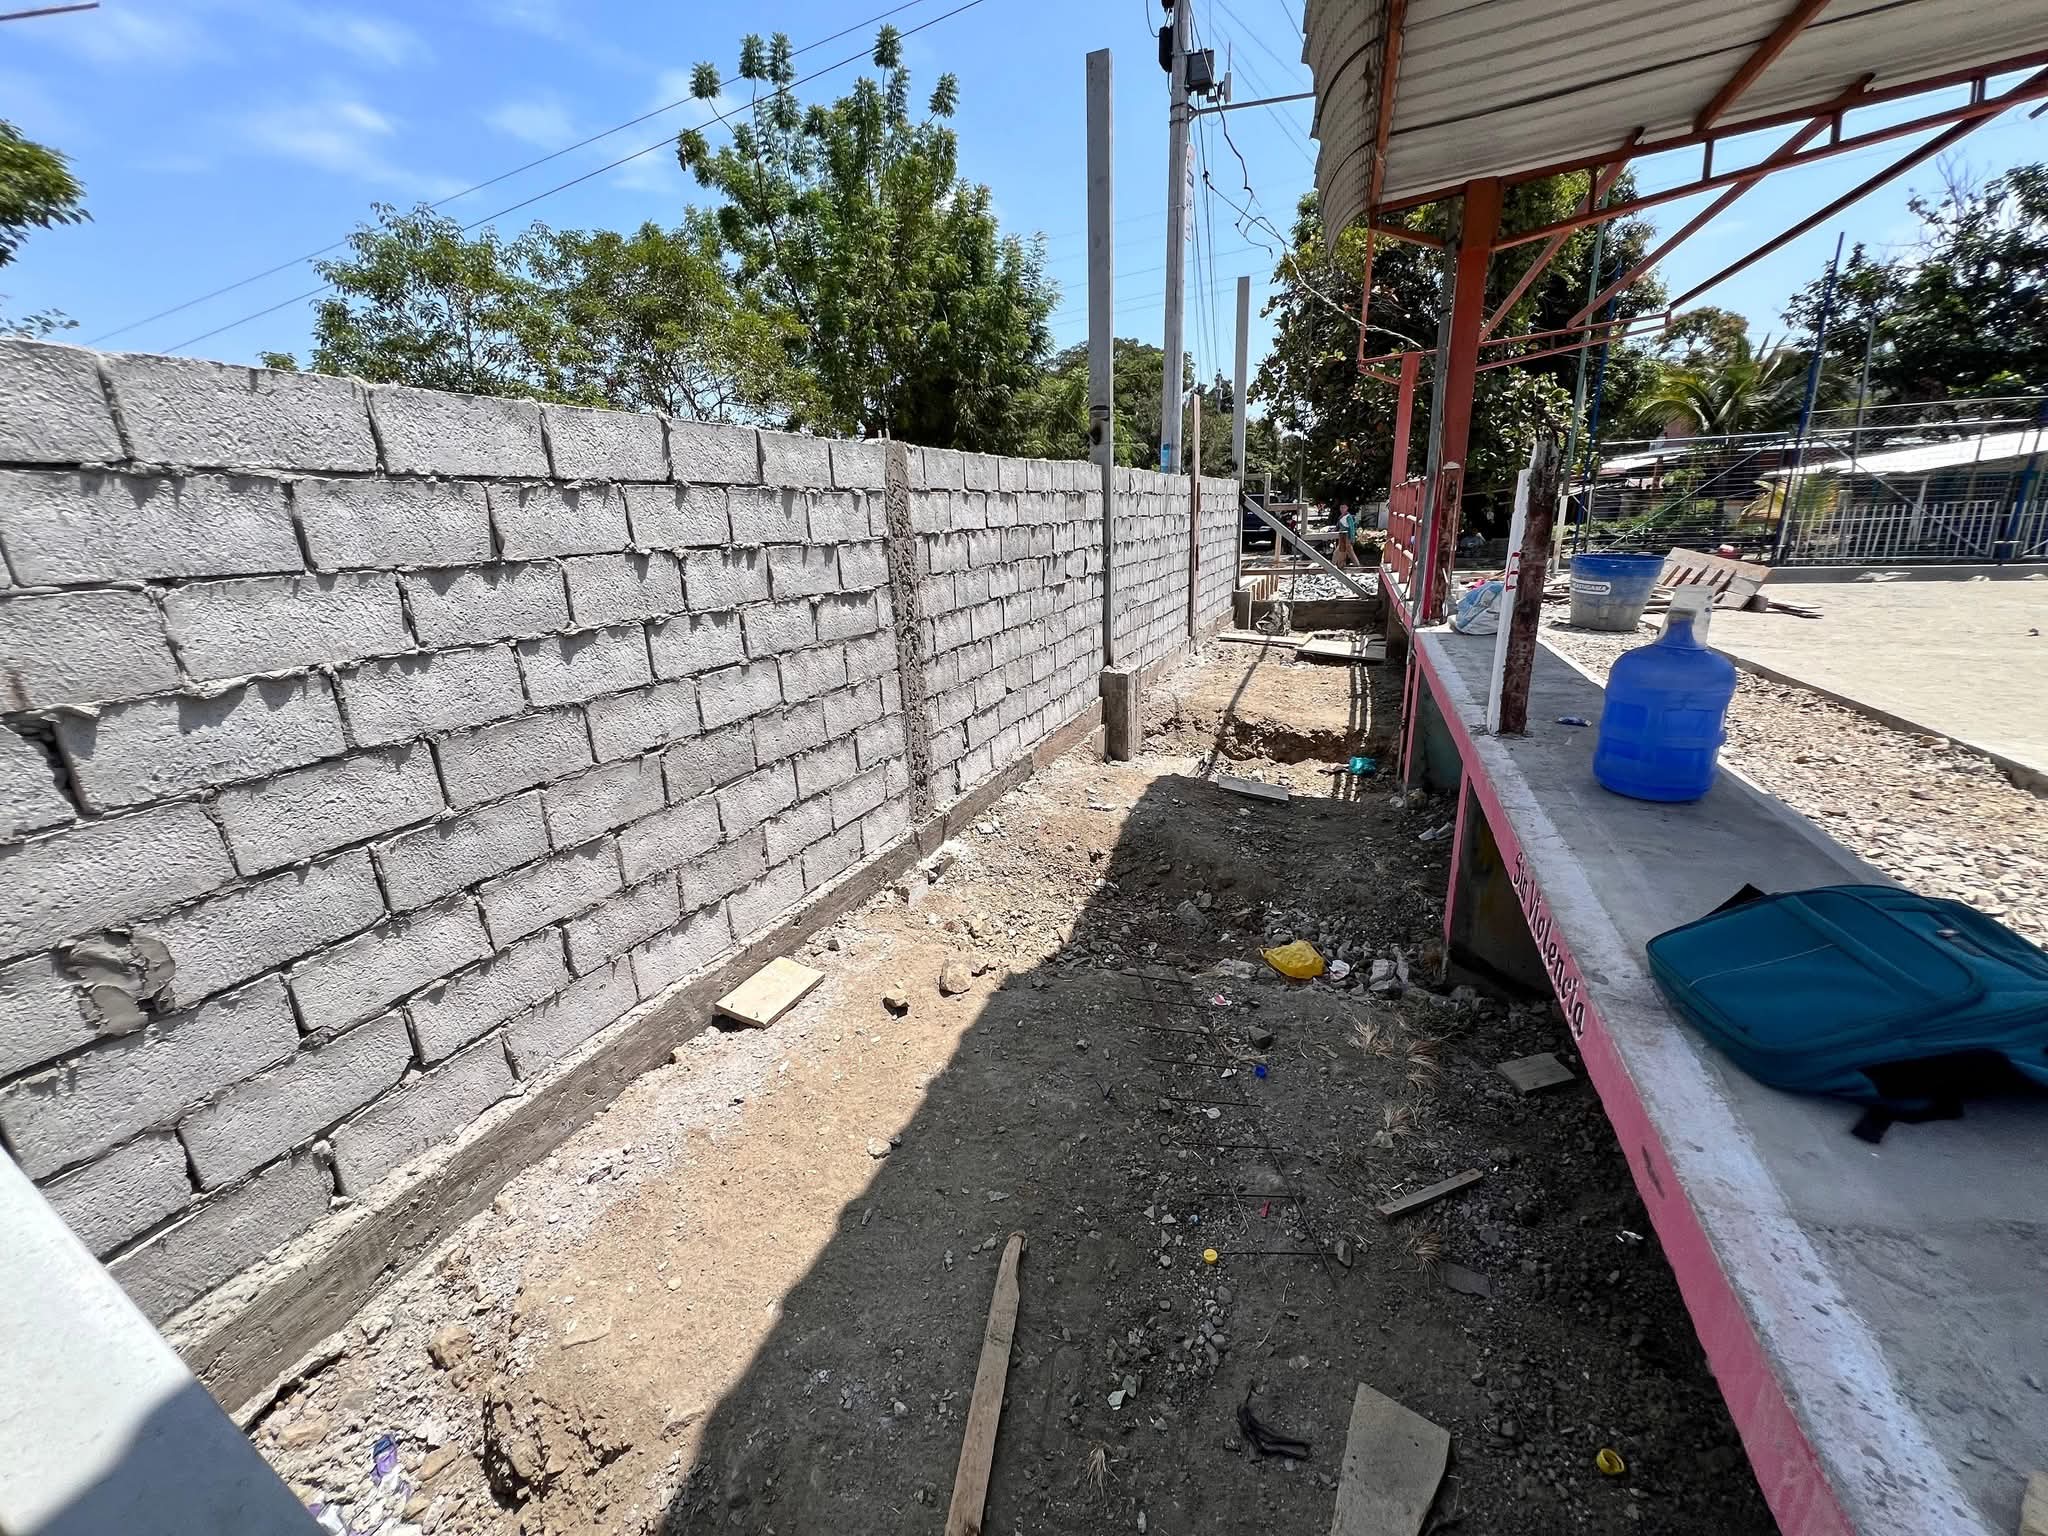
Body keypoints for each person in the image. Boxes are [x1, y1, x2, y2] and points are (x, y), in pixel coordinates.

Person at [1333, 501, 1360, 568]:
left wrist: (1352, 538)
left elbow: (1352, 528)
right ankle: (1357, 564)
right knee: (1350, 551)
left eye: (1344, 507)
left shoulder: (1348, 517)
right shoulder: (1341, 517)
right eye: (1341, 507)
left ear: (1347, 508)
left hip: (1346, 536)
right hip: (1342, 536)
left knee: (1337, 552)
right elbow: (1338, 526)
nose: (1342, 509)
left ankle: (1332, 564)